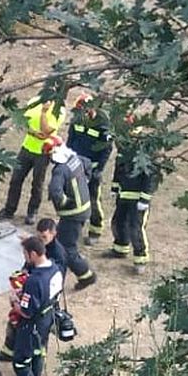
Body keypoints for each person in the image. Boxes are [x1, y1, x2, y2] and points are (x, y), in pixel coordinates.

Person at [0, 218, 65, 362]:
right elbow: (28, 265)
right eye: (39, 236)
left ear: (53, 233)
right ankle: (8, 352)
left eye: (44, 237)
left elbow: (56, 279)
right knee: (14, 321)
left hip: (45, 298)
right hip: (31, 290)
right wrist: (21, 278)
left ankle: (36, 362)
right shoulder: (36, 247)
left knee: (40, 332)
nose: (41, 241)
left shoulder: (58, 254)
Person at [11, 235, 64, 376]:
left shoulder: (35, 280)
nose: (24, 257)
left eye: (25, 254)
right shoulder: (55, 269)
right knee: (38, 354)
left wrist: (15, 301)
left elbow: (25, 311)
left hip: (31, 325)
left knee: (21, 361)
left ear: (33, 254)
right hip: (46, 320)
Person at [0, 97, 64, 225]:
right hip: (26, 148)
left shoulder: (59, 109)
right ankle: (9, 210)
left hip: (43, 153)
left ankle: (32, 212)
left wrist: (44, 112)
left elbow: (46, 131)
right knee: (16, 179)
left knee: (37, 183)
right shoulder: (34, 101)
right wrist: (32, 132)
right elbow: (22, 122)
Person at [46, 139, 97, 290]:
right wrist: (86, 179)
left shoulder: (60, 170)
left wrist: (64, 202)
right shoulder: (74, 158)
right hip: (84, 209)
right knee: (60, 240)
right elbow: (88, 164)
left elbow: (55, 191)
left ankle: (86, 275)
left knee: (67, 248)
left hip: (72, 214)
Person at [64, 94, 114, 242]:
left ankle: (95, 230)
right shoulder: (76, 120)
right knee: (73, 196)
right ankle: (74, 225)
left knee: (92, 199)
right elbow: (70, 141)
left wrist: (99, 169)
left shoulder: (103, 124)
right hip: (76, 165)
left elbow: (106, 149)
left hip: (92, 168)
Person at [109, 137, 161, 275]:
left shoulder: (147, 153)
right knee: (118, 223)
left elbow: (151, 177)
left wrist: (145, 199)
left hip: (138, 199)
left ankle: (140, 259)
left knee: (135, 229)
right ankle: (120, 248)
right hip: (124, 195)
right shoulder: (123, 151)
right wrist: (115, 187)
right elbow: (118, 170)